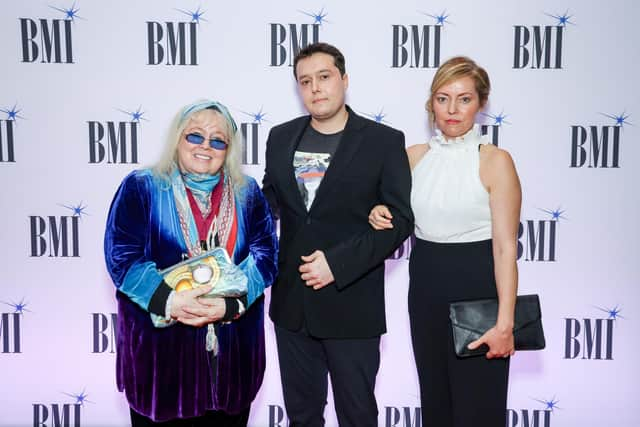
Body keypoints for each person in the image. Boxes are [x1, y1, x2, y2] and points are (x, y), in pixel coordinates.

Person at [262, 42, 414, 427]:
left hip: (351, 305)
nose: (315, 88)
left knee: (357, 415)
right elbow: (269, 203)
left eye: (324, 77)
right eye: (305, 81)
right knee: (301, 417)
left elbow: (400, 220)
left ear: (344, 80)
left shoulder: (384, 141)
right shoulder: (280, 137)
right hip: (292, 308)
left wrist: (337, 263)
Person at [104, 100, 278, 426]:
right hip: (161, 362)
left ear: (229, 150)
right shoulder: (143, 186)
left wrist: (230, 306)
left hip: (231, 360)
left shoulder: (248, 193)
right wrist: (170, 300)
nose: (205, 147)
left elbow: (266, 257)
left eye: (218, 140)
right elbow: (123, 258)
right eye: (195, 136)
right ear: (177, 139)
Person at [369, 56, 521, 426]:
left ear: (481, 103)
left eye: (464, 99)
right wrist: (376, 210)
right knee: (436, 406)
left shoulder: (495, 161)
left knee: (478, 411)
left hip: (478, 291)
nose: (452, 109)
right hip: (426, 290)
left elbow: (504, 249)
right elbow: (386, 209)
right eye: (443, 98)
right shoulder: (413, 158)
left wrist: (505, 324)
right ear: (431, 103)